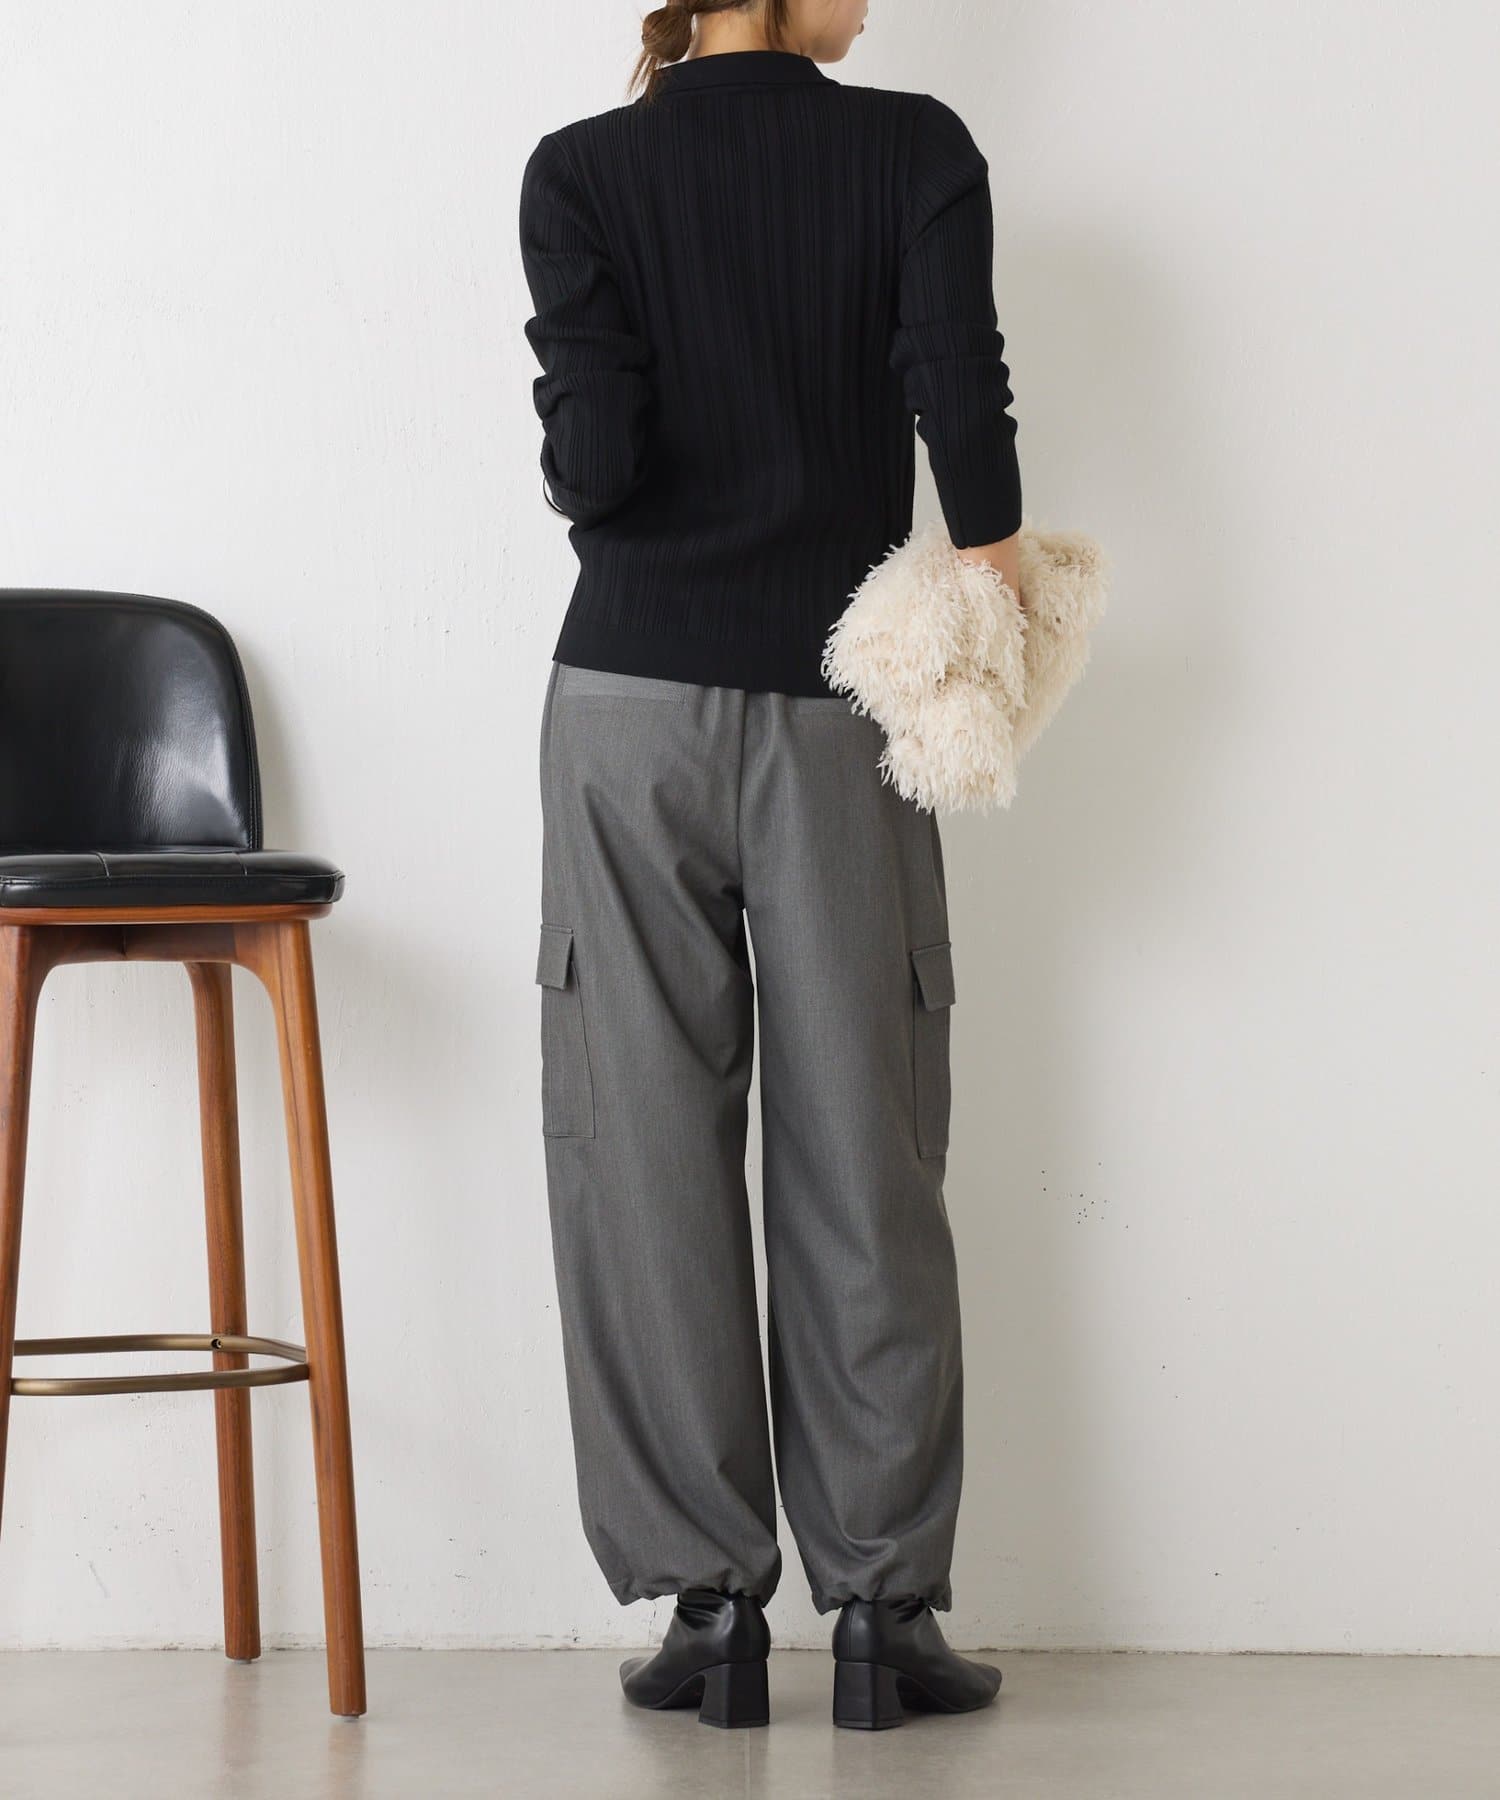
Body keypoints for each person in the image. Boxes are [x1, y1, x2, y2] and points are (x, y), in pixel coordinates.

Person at [518, 0, 1022, 1731]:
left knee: (641, 1145)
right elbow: (963, 411)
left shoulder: (581, 172)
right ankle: (883, 1617)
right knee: (865, 1139)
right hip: (840, 707)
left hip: (627, 707)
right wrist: (1003, 601)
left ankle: (707, 1611)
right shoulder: (913, 149)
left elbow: (593, 470)